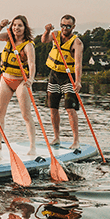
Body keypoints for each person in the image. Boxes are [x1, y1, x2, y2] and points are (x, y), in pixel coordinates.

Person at [0, 15, 37, 156]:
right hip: (6, 79)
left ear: (25, 28)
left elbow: (32, 63)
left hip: (21, 81)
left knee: (25, 114)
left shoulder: (28, 45)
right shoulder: (8, 38)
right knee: (0, 112)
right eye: (15, 25)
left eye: (20, 26)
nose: (17, 28)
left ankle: (32, 146)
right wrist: (0, 25)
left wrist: (31, 79)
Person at [41, 14, 84, 150]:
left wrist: (78, 81)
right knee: (53, 108)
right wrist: (47, 30)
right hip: (54, 75)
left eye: (68, 26)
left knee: (70, 109)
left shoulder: (77, 43)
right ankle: (56, 137)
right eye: (63, 25)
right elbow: (44, 40)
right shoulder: (55, 35)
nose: (65, 28)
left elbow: (78, 64)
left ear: (73, 27)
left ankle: (76, 140)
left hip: (68, 77)